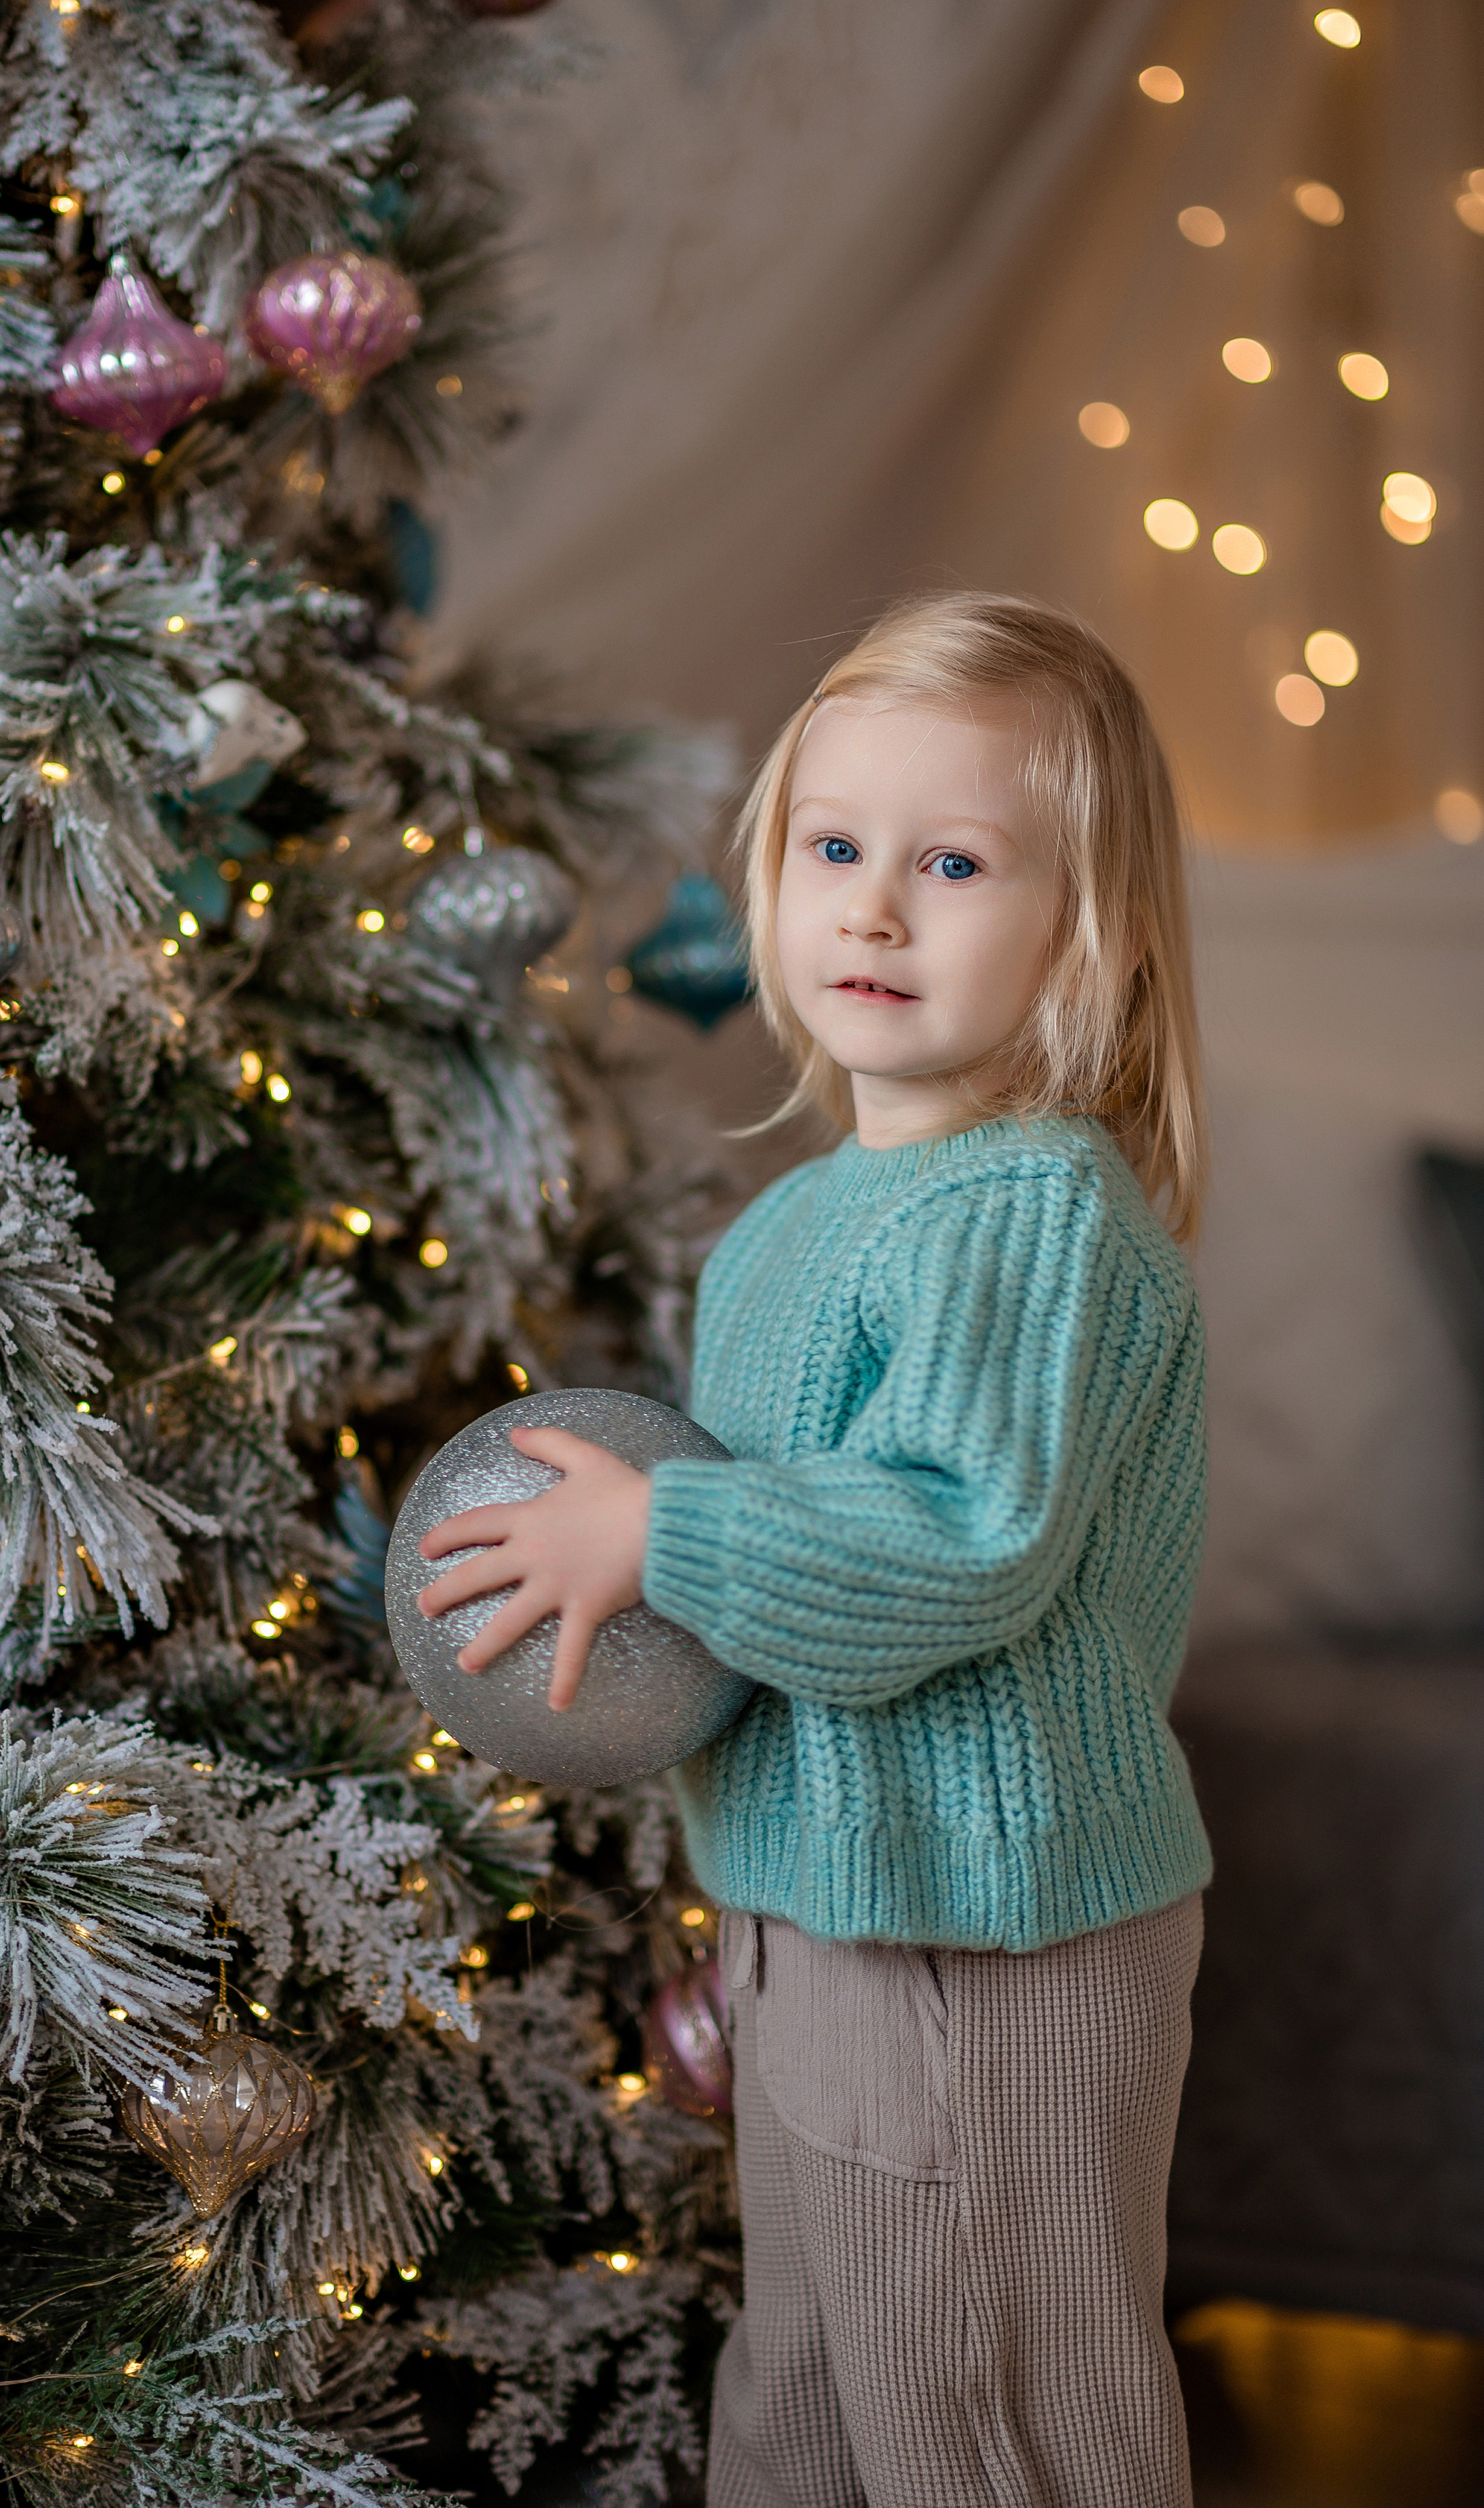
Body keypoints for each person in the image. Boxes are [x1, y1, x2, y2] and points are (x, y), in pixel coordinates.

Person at [416, 591, 1213, 2508]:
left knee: (992, 2404)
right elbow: (761, 1602)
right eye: (834, 848)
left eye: (953, 862)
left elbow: (950, 1543)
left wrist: (656, 1524)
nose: (872, 906)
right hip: (832, 1903)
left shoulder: (1029, 1211)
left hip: (983, 1925)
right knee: (819, 2388)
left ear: (1083, 934)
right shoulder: (799, 1222)